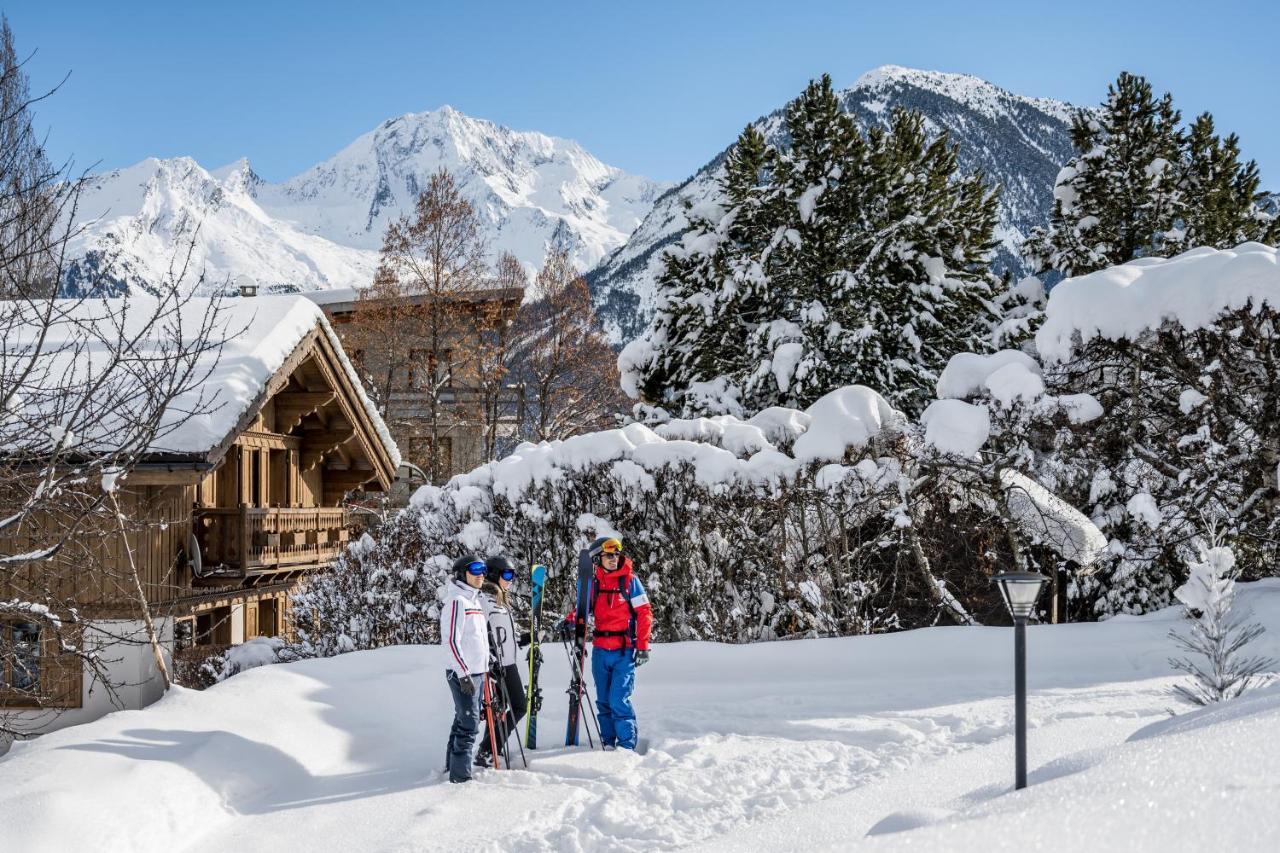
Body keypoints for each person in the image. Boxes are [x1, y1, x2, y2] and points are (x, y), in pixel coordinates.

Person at [560, 536, 653, 751]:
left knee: (618, 700)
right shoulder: (594, 584)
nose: (613, 559)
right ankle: (608, 744)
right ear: (597, 559)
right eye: (608, 555)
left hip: (624, 650)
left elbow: (644, 613)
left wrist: (643, 646)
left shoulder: (629, 581)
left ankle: (627, 747)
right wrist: (569, 621)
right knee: (603, 701)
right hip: (601, 649)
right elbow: (584, 609)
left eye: (616, 555)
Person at [475, 554, 530, 767]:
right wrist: (489, 660)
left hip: (509, 663)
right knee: (519, 706)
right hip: (497, 665)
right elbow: (480, 633)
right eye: (507, 574)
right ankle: (487, 749)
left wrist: (526, 638)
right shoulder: (482, 601)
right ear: (494, 574)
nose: (510, 579)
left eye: (513, 575)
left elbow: (506, 635)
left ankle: (488, 750)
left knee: (500, 709)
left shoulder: (501, 601)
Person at [440, 554, 490, 783]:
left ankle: (451, 767)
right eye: (476, 570)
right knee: (469, 724)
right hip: (464, 674)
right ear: (462, 574)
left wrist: (486, 666)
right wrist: (464, 674)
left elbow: (477, 640)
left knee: (463, 719)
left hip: (478, 673)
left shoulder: (474, 602)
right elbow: (451, 640)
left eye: (483, 570)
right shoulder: (457, 602)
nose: (481, 575)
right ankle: (460, 776)